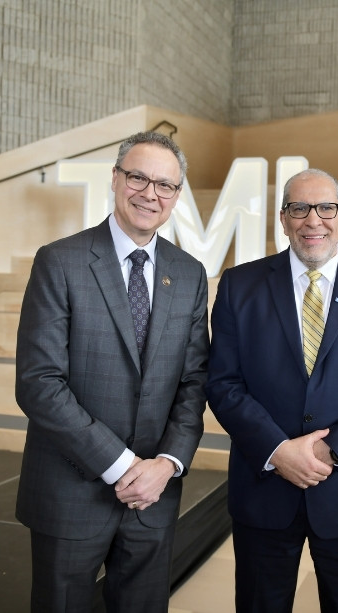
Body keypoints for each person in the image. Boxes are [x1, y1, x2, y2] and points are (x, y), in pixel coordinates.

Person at [14, 131, 209, 612]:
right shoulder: (61, 261)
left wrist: (166, 465)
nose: (150, 193)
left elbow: (193, 382)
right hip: (70, 490)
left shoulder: (188, 273)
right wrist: (124, 466)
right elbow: (39, 383)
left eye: (165, 185)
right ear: (116, 179)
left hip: (155, 495)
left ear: (177, 196)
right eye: (138, 177)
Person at [205, 168, 338, 613]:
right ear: (283, 218)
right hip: (264, 490)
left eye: (325, 208)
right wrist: (278, 450)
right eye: (299, 208)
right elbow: (224, 384)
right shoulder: (239, 286)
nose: (312, 220)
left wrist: (328, 452)